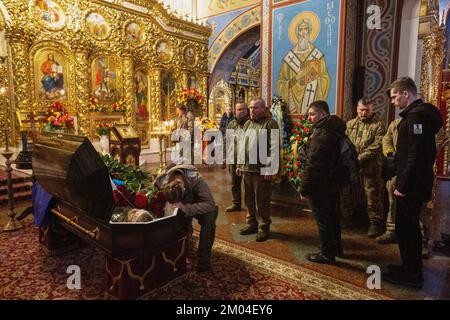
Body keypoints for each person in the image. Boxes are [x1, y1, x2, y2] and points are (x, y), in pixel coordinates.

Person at [383, 77, 442, 288]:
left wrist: (403, 185)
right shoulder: (417, 116)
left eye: (394, 96)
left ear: (405, 93)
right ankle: (408, 267)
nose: (393, 101)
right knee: (404, 227)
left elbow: (416, 155)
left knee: (408, 228)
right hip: (414, 182)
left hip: (412, 185)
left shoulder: (416, 118)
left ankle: (412, 275)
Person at [300, 100, 345, 264]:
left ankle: (327, 253)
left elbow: (314, 164)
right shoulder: (335, 128)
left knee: (323, 219)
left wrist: (304, 188)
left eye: (312, 114)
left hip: (321, 184)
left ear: (323, 114)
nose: (309, 118)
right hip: (332, 181)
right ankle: (337, 248)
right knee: (332, 216)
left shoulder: (322, 132)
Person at [155, 164, 218, 272]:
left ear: (184, 188)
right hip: (177, 205)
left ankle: (203, 260)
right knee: (173, 222)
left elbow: (210, 204)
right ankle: (176, 250)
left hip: (197, 204)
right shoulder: (162, 181)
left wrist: (186, 208)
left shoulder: (196, 180)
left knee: (210, 217)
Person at [341, 98, 386, 237]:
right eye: (361, 109)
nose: (364, 112)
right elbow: (345, 142)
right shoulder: (350, 124)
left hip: (371, 167)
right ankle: (346, 217)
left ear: (372, 109)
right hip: (352, 167)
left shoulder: (379, 125)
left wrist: (360, 158)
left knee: (372, 195)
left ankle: (375, 223)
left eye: (367, 110)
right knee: (347, 193)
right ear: (357, 109)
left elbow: (378, 145)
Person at [236, 98, 279, 242]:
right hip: (247, 168)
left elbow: (274, 148)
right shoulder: (247, 123)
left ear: (263, 108)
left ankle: (263, 226)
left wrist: (271, 168)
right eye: (251, 107)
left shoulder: (270, 123)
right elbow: (243, 145)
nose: (252, 110)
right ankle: (252, 223)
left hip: (261, 170)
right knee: (248, 199)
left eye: (255, 107)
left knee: (262, 200)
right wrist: (239, 164)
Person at [277, 18, 331, 115]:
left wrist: (314, 80)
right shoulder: (288, 58)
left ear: (310, 31)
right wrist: (297, 77)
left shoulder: (317, 56)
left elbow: (325, 78)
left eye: (306, 29)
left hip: (312, 97)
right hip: (293, 108)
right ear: (297, 33)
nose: (303, 33)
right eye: (300, 30)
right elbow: (281, 82)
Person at [224, 102, 249, 212]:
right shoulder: (231, 124)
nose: (241, 111)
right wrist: (226, 156)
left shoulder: (250, 124)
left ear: (247, 110)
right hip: (233, 159)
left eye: (244, 109)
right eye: (239, 109)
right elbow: (227, 141)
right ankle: (236, 203)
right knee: (235, 183)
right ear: (235, 110)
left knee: (249, 185)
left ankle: (250, 206)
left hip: (248, 160)